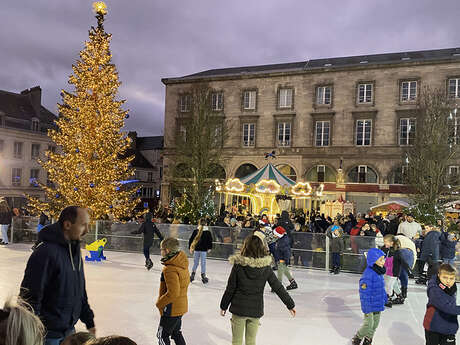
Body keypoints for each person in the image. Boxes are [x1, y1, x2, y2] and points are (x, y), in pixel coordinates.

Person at [20, 206, 96, 345]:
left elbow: (80, 291)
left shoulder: (74, 252)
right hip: (46, 335)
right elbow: (30, 297)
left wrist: (89, 320)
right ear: (67, 224)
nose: (87, 230)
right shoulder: (45, 252)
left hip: (68, 332)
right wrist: (34, 333)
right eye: (83, 225)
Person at [220, 235, 295, 345]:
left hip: (239, 309)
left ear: (245, 247)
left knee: (236, 341)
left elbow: (230, 288)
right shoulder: (265, 268)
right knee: (251, 341)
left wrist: (223, 306)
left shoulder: (238, 266)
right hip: (255, 310)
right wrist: (290, 304)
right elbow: (278, 287)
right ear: (261, 248)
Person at [156, 237, 190, 345]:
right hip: (180, 306)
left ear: (167, 251)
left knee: (162, 335)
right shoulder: (181, 263)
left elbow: (173, 293)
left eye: (161, 249)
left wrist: (160, 303)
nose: (160, 251)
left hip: (171, 309)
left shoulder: (170, 269)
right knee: (176, 333)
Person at [352, 248, 387, 345]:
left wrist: (384, 297)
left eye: (384, 259)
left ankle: (368, 338)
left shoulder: (379, 271)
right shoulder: (368, 274)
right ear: (373, 260)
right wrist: (366, 307)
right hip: (370, 305)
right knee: (368, 324)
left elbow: (381, 287)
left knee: (375, 323)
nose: (383, 261)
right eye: (381, 259)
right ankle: (358, 337)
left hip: (378, 303)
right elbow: (364, 293)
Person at [423, 263, 460, 345]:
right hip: (433, 326)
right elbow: (446, 307)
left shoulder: (452, 287)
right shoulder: (434, 289)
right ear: (439, 275)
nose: (448, 281)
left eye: (451, 278)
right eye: (445, 277)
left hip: (449, 327)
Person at [382, 235, 410, 307]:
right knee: (394, 284)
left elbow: (403, 261)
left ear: (392, 243)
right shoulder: (384, 249)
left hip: (393, 272)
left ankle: (388, 299)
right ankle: (400, 296)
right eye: (384, 242)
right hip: (386, 270)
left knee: (389, 285)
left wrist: (408, 269)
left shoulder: (397, 252)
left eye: (386, 242)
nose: (384, 243)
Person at [188, 219, 213, 284]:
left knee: (195, 263)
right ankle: (203, 275)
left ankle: (192, 274)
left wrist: (190, 248)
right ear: (206, 224)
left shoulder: (195, 231)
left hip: (196, 249)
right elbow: (210, 241)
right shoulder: (208, 232)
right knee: (203, 263)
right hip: (203, 250)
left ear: (198, 223)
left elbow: (191, 240)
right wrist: (209, 248)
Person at [273, 226, 298, 290]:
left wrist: (286, 261)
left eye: (274, 234)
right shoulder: (281, 239)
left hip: (282, 259)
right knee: (285, 271)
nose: (273, 235)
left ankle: (278, 286)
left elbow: (286, 252)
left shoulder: (283, 242)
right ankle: (293, 283)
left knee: (280, 272)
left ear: (278, 234)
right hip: (281, 258)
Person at [395, 234, 417, 300]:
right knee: (404, 274)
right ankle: (404, 293)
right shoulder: (411, 242)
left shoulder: (396, 237)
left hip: (400, 251)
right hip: (410, 253)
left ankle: (394, 292)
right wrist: (411, 267)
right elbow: (415, 254)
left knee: (394, 273)